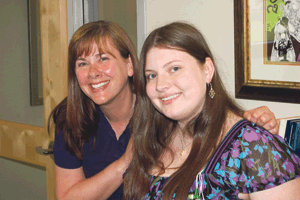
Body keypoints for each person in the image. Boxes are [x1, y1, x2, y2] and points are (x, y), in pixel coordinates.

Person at [50, 20, 278, 200]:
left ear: (130, 65)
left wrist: (252, 125)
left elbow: (213, 128)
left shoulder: (161, 109)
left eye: (103, 58)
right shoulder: (70, 117)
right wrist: (124, 163)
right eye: (82, 63)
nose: (93, 72)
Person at [123, 22, 300, 199]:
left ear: (207, 70)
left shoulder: (253, 147)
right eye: (152, 75)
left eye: (174, 68)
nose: (161, 85)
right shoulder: (153, 139)